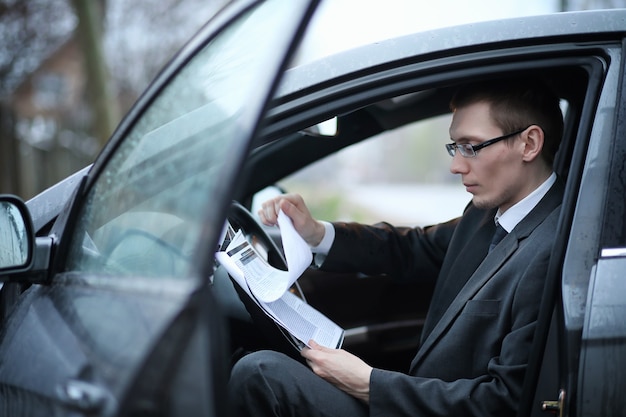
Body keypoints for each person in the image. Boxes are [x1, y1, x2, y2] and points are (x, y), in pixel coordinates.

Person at [228, 77, 565, 417]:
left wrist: (368, 383)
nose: (456, 166)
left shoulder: (554, 247)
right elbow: (412, 248)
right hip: (416, 399)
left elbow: (507, 403)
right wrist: (316, 233)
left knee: (258, 374)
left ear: (529, 143)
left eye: (471, 147)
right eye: (454, 147)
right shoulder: (487, 214)